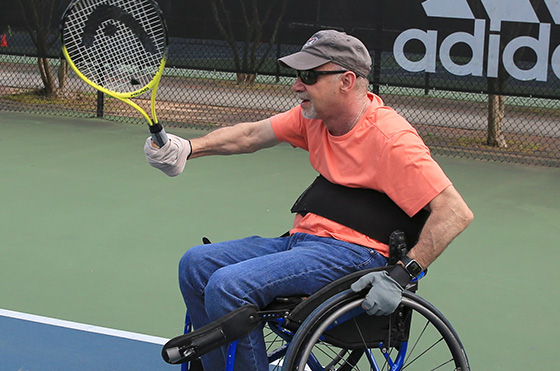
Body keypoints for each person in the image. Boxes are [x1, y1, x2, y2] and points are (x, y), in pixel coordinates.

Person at [144, 29, 473, 371]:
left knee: (229, 286)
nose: (296, 85)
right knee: (196, 264)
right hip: (304, 243)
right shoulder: (315, 119)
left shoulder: (391, 139)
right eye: (298, 75)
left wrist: (401, 276)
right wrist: (187, 148)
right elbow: (251, 135)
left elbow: (455, 212)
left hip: (353, 256)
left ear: (346, 81)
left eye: (309, 76)